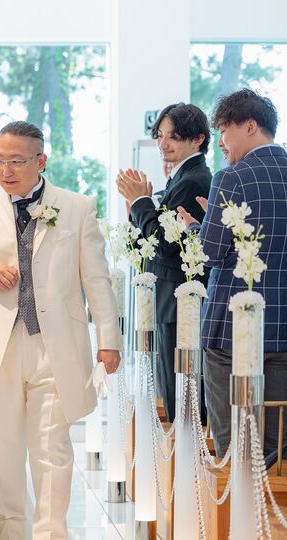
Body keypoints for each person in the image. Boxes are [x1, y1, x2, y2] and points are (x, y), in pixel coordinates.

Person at [0, 120, 122, 539]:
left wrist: (109, 340)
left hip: (57, 345)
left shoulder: (77, 207)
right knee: (2, 451)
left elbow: (97, 279)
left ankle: (52, 534)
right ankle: (8, 532)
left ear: (41, 160)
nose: (6, 170)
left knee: (52, 449)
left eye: (16, 161)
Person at [178, 88, 287, 457]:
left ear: (250, 126)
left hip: (230, 330)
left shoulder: (232, 178)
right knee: (275, 447)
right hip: (283, 332)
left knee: (232, 444)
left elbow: (209, 253)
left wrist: (197, 227)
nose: (221, 142)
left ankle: (233, 497)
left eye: (225, 130)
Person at [116, 103, 212, 422]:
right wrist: (139, 209)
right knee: (172, 388)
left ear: (198, 139)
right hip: (171, 297)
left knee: (181, 393)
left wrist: (142, 201)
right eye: (159, 135)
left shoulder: (193, 180)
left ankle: (186, 450)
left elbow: (165, 245)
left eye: (173, 136)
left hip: (179, 298)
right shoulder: (181, 177)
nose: (163, 143)